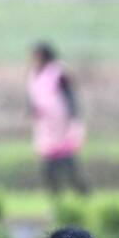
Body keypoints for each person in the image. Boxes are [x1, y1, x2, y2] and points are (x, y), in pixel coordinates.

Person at [28, 42, 89, 196]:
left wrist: (72, 117)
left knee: (66, 160)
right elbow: (34, 97)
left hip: (61, 122)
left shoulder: (59, 72)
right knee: (48, 163)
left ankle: (80, 192)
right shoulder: (34, 73)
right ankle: (56, 196)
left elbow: (69, 96)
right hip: (45, 124)